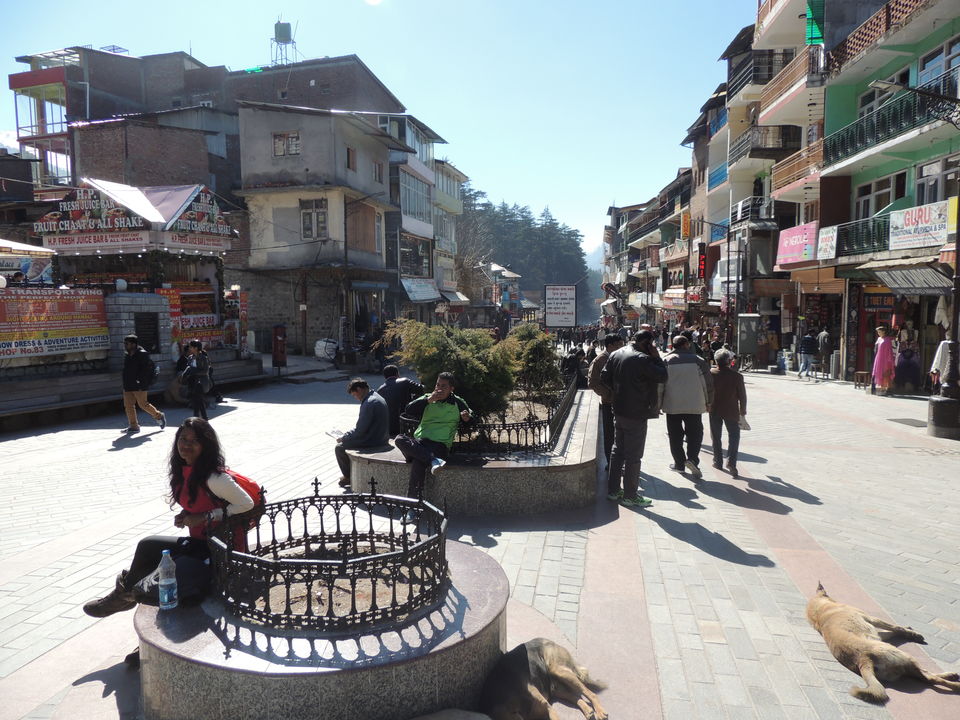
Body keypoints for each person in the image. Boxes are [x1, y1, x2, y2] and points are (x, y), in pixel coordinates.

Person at [82, 418, 255, 663]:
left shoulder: (215, 478)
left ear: (206, 445)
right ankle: (125, 596)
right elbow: (201, 503)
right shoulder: (185, 471)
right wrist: (187, 515)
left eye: (194, 441)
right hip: (200, 544)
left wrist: (204, 517)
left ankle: (154, 642)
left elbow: (246, 503)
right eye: (183, 439)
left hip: (220, 552)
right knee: (148, 545)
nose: (186, 445)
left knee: (165, 583)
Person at [599, 329, 666, 508]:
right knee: (634, 455)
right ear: (647, 343)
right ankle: (630, 495)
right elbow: (663, 376)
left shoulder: (616, 353)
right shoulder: (643, 359)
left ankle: (613, 491)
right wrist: (657, 357)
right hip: (636, 412)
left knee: (617, 451)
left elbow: (604, 377)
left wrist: (618, 391)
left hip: (618, 409)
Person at [394, 372, 472, 505]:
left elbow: (471, 421)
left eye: (443, 386)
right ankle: (433, 460)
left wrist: (467, 418)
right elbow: (408, 409)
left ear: (451, 389)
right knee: (399, 439)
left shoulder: (458, 402)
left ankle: (412, 506)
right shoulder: (427, 398)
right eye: (437, 385)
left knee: (418, 461)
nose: (439, 388)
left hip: (439, 445)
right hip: (420, 442)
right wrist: (428, 400)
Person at [662, 335, 714, 479]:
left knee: (675, 435)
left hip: (672, 404)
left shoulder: (666, 361)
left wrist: (658, 403)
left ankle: (679, 463)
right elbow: (708, 384)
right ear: (686, 345)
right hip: (694, 404)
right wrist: (709, 402)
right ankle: (692, 459)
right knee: (695, 434)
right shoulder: (698, 361)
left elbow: (660, 385)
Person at [335, 378, 389, 488]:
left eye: (355, 395)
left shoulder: (369, 403)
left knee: (339, 448)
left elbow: (360, 430)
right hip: (381, 436)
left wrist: (344, 437)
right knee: (347, 440)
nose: (356, 398)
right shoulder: (376, 397)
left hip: (372, 439)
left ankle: (348, 477)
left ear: (359, 389)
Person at [709, 348, 747, 478]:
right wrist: (743, 409)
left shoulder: (710, 374)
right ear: (729, 361)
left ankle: (717, 461)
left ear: (716, 361)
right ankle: (731, 463)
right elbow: (742, 395)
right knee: (734, 436)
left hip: (714, 409)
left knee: (716, 436)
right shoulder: (737, 376)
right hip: (731, 410)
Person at [587, 334, 624, 466]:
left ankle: (620, 461)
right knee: (610, 434)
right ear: (610, 346)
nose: (622, 348)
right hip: (609, 403)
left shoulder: (621, 357)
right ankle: (611, 462)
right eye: (619, 345)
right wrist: (609, 395)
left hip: (622, 403)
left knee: (622, 434)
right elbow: (593, 383)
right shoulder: (600, 360)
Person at [121, 334, 165, 433]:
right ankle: (134, 426)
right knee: (128, 406)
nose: (125, 345)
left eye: (127, 343)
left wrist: (141, 383)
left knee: (143, 404)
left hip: (139, 384)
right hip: (128, 384)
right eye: (125, 343)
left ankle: (159, 416)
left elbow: (146, 371)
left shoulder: (142, 354)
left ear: (133, 344)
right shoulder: (127, 355)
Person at [376, 365, 425, 438]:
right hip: (405, 423)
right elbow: (422, 389)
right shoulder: (404, 381)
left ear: (385, 376)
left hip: (388, 428)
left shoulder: (380, 390)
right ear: (397, 373)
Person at [182, 340, 212, 420]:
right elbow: (189, 368)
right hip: (192, 381)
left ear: (196, 348)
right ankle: (203, 418)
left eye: (191, 347)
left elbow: (205, 371)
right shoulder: (190, 357)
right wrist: (185, 374)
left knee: (197, 398)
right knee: (197, 399)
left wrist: (195, 373)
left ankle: (197, 417)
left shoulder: (203, 358)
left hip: (201, 381)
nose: (189, 348)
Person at [872, 326, 895, 394]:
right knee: (878, 371)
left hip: (886, 359)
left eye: (879, 332)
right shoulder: (879, 339)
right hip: (879, 358)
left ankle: (886, 388)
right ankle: (880, 388)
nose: (878, 333)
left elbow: (889, 351)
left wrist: (889, 360)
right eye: (878, 332)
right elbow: (876, 348)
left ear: (884, 331)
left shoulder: (887, 340)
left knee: (885, 373)